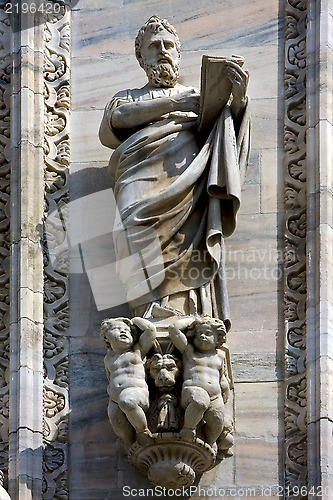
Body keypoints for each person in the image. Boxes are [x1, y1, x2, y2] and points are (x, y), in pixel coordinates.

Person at [99, 16, 250, 329]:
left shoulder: (199, 96)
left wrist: (238, 101)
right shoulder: (129, 96)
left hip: (186, 184)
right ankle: (146, 314)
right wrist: (175, 101)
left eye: (169, 45)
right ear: (142, 58)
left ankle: (183, 317)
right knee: (131, 232)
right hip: (137, 181)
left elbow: (225, 138)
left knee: (185, 245)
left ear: (179, 54)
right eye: (154, 47)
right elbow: (118, 119)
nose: (163, 51)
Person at [168, 316, 230, 445]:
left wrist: (225, 387)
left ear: (218, 339)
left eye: (208, 334)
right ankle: (188, 429)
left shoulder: (220, 355)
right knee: (200, 402)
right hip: (193, 391)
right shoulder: (189, 352)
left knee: (217, 420)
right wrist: (193, 320)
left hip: (215, 396)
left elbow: (222, 376)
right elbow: (174, 329)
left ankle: (211, 442)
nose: (202, 336)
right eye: (199, 333)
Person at [101, 316, 157, 447]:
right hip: (115, 398)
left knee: (127, 402)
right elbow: (110, 377)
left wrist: (135, 320)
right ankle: (128, 444)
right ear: (106, 338)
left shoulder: (137, 350)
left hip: (135, 393)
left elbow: (150, 330)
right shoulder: (108, 358)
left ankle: (143, 431)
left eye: (127, 330)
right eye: (117, 329)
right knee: (116, 421)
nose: (123, 332)